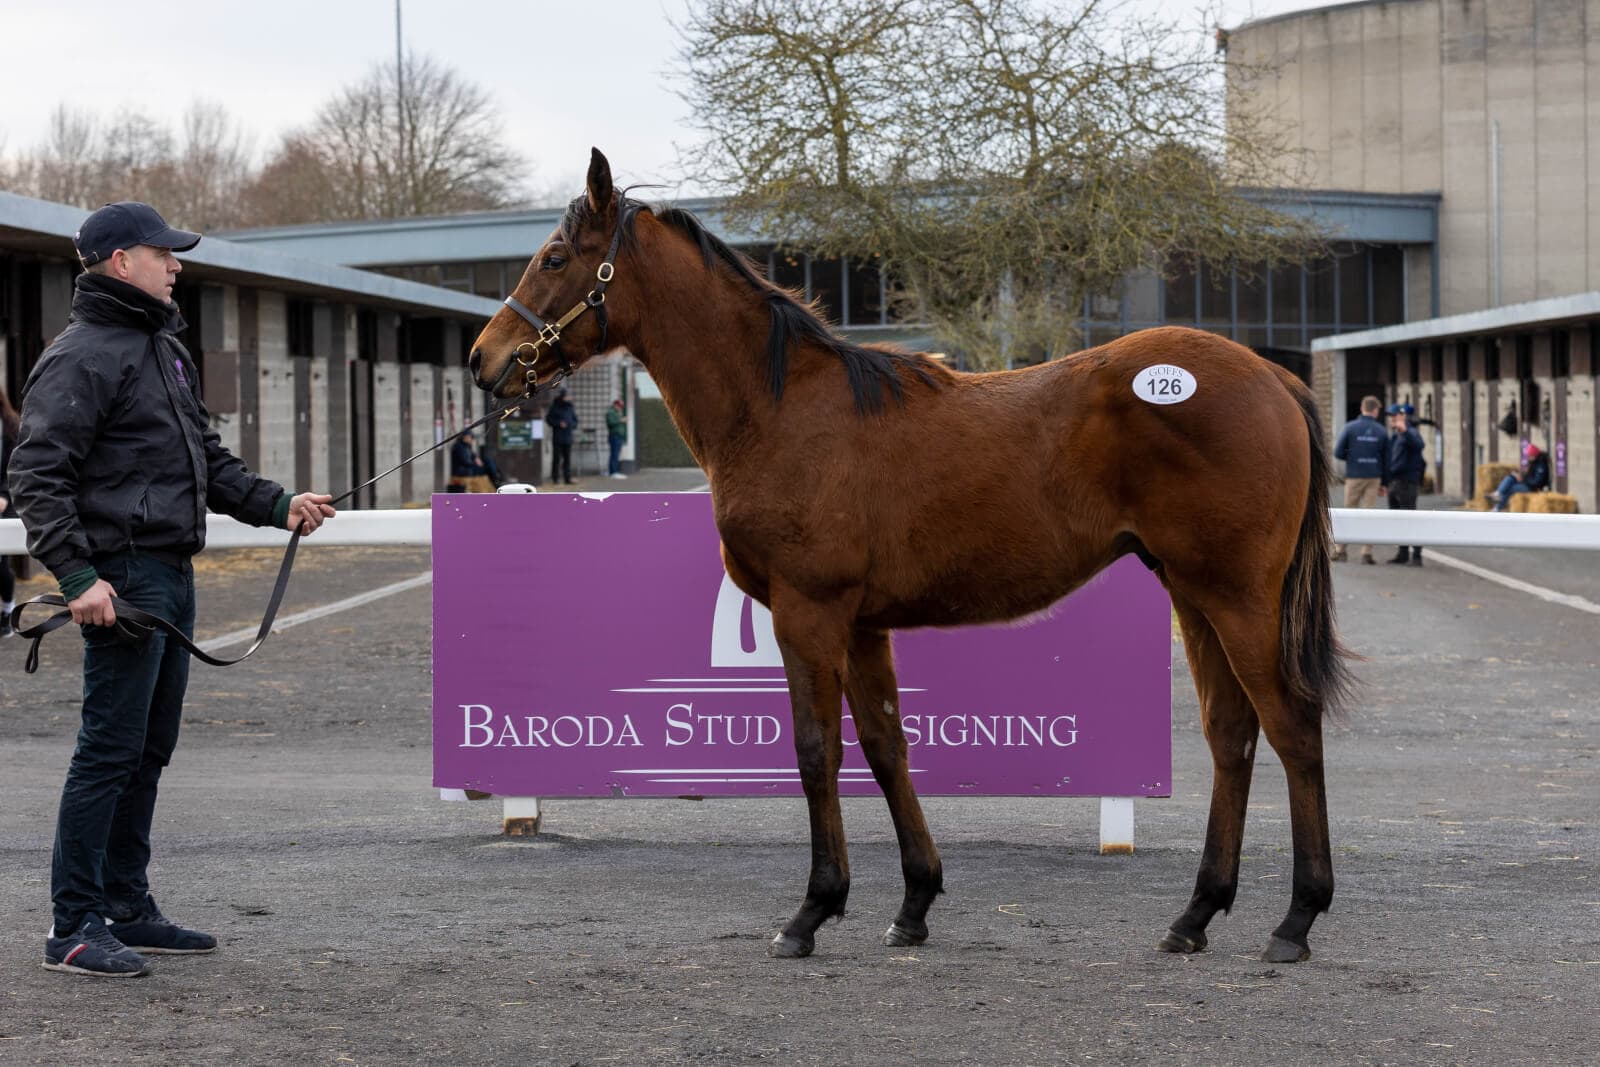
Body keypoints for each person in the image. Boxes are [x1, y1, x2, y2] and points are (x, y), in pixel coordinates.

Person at [8, 202, 337, 979]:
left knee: (149, 751)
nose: (177, 264)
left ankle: (126, 903)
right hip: (123, 578)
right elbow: (35, 476)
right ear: (122, 261)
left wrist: (276, 503)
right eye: (165, 253)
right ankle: (74, 924)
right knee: (109, 751)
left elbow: (207, 461)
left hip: (169, 574)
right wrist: (81, 577)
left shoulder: (163, 347)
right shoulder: (82, 354)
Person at [1331, 395, 1387, 564]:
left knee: (1349, 513)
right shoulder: (1381, 431)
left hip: (1354, 475)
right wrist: (1384, 482)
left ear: (1362, 408)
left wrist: (1353, 457)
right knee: (1369, 515)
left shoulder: (1350, 428)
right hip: (1373, 476)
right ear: (1375, 411)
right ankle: (1366, 553)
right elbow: (1386, 457)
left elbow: (1338, 452)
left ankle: (1340, 550)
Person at [1380, 403, 1426, 566]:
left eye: (1394, 416)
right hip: (1394, 481)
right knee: (1397, 520)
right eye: (1390, 417)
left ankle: (1417, 555)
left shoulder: (1410, 432)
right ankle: (1403, 552)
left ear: (1402, 416)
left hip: (1407, 482)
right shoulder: (1395, 436)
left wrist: (1405, 430)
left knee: (1410, 518)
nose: (1392, 419)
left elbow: (1420, 445)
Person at [0, 384, 19, 638]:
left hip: (3, 505)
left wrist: (4, 494)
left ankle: (8, 609)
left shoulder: (11, 427)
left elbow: (17, 466)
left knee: (1, 565)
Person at [1491, 442, 1551, 511]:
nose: (1528, 457)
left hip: (1532, 488)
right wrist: (1519, 475)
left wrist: (1523, 479)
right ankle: (1498, 493)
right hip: (1526, 483)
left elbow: (1537, 482)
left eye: (1530, 455)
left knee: (1511, 489)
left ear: (1534, 455)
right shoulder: (1532, 462)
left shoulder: (1541, 465)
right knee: (1509, 478)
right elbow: (1528, 475)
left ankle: (1497, 508)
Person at [545, 387, 579, 485]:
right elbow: (549, 419)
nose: (569, 398)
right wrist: (558, 423)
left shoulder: (570, 407)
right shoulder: (555, 406)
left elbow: (575, 421)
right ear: (562, 397)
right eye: (567, 396)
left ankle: (567, 478)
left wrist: (570, 424)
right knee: (556, 459)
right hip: (558, 438)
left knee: (567, 459)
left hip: (568, 437)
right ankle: (555, 478)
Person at [605, 398, 628, 479]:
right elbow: (610, 422)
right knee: (614, 454)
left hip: (618, 436)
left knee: (616, 454)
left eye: (621, 406)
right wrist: (621, 420)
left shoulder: (616, 412)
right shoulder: (611, 412)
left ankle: (614, 471)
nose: (620, 408)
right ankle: (613, 472)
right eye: (619, 406)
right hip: (614, 436)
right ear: (615, 405)